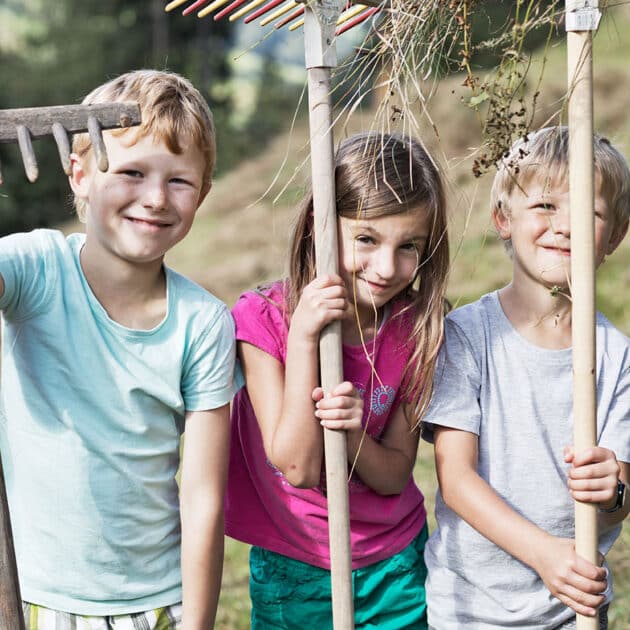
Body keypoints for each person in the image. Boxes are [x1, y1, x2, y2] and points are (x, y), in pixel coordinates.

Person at [0, 69, 241, 630]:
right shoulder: (35, 271)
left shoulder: (202, 324)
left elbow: (203, 499)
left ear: (202, 194)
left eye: (179, 181)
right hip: (30, 595)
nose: (155, 199)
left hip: (155, 604)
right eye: (132, 172)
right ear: (80, 173)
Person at [225, 131, 450, 629]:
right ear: (317, 227)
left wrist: (350, 435)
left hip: (394, 564)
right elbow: (299, 467)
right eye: (367, 239)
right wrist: (306, 338)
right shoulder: (264, 320)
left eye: (409, 246)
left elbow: (394, 475)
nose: (388, 268)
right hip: (298, 565)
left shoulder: (416, 329)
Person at [422, 126, 630, 629]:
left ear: (615, 237)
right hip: (468, 607)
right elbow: (456, 479)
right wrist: (543, 555)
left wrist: (614, 489)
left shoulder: (617, 356)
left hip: (572, 608)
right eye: (545, 206)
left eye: (591, 213)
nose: (566, 227)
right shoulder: (469, 336)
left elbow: (622, 492)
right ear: (503, 218)